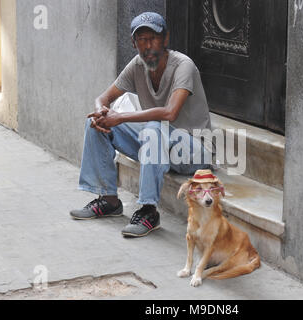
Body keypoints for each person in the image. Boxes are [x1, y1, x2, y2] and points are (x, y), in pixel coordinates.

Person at [70, 12, 213, 238]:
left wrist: (121, 117)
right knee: (94, 123)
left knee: (154, 127)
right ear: (133, 43)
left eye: (153, 38)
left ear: (165, 39)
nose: (148, 46)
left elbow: (169, 112)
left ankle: (148, 211)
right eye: (142, 40)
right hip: (157, 144)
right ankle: (108, 200)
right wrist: (101, 111)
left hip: (193, 150)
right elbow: (103, 97)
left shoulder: (183, 65)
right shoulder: (137, 65)